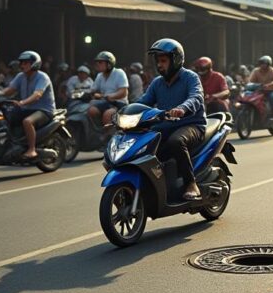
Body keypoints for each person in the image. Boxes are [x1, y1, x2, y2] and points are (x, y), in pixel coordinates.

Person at [137, 39, 206, 201]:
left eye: (163, 61)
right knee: (142, 146)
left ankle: (191, 184)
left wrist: (182, 108)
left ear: (175, 60)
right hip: (165, 126)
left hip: (191, 125)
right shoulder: (157, 83)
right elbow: (143, 102)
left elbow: (196, 97)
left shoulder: (190, 77)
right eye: (157, 61)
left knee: (176, 142)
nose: (159, 65)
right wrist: (123, 112)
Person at [0, 51, 55, 160]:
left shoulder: (42, 77)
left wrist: (22, 102)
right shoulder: (21, 76)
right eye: (22, 63)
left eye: (26, 63)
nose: (22, 65)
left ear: (34, 64)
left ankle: (32, 149)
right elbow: (10, 90)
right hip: (26, 109)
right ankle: (12, 144)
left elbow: (37, 94)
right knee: (5, 117)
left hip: (43, 110)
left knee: (27, 121)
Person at [88, 51, 128, 127]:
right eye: (97, 62)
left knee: (108, 115)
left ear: (109, 64)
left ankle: (108, 136)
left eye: (100, 62)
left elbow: (123, 92)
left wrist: (111, 96)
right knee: (92, 110)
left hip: (119, 103)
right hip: (105, 102)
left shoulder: (119, 73)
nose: (97, 64)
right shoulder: (100, 75)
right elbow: (93, 90)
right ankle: (98, 131)